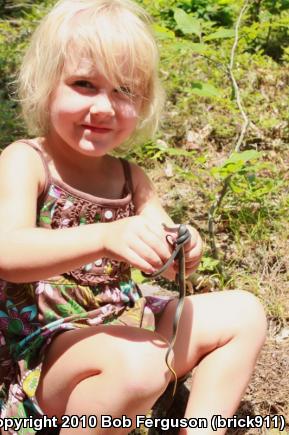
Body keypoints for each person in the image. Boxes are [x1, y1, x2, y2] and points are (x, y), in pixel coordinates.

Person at [0, 0, 267, 434]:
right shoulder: (27, 161)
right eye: (84, 84)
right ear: (45, 85)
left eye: (124, 90)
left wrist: (181, 248)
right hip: (51, 358)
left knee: (243, 312)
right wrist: (106, 236)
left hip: (132, 332)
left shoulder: (131, 176)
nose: (104, 107)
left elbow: (162, 247)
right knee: (139, 361)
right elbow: (7, 251)